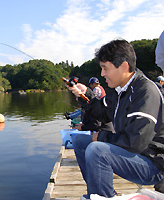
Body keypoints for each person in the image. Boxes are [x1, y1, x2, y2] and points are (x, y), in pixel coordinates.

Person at [67, 39, 164, 199]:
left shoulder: (145, 92)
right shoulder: (118, 91)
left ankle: (101, 196)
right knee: (80, 142)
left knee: (96, 150)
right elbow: (99, 111)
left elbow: (136, 142)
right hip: (136, 155)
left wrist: (101, 137)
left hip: (153, 165)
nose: (102, 74)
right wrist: (85, 95)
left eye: (105, 68)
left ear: (124, 66)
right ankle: (97, 193)